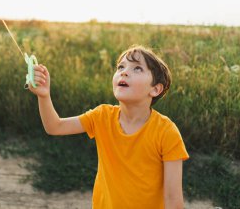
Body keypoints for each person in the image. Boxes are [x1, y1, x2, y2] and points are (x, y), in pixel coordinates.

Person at [28, 45, 189, 209]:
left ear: (155, 89)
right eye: (121, 67)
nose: (124, 72)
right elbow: (55, 127)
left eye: (137, 68)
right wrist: (44, 95)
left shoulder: (166, 132)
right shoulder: (102, 116)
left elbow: (173, 200)